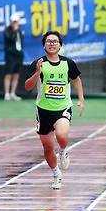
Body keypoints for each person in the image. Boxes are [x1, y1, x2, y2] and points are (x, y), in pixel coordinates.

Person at [25, 31, 84, 190]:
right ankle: (56, 173)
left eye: (55, 41)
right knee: (47, 147)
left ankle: (63, 151)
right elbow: (27, 87)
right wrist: (37, 73)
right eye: (49, 41)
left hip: (63, 107)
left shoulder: (68, 63)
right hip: (43, 110)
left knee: (62, 134)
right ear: (44, 45)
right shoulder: (38, 63)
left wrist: (81, 99)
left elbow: (77, 79)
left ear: (60, 45)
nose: (52, 44)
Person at [4, 13, 24, 101]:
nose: (15, 23)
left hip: (19, 55)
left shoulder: (20, 31)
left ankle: (13, 93)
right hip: (10, 55)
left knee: (16, 74)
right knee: (8, 74)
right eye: (14, 21)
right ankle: (7, 93)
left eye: (17, 21)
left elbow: (21, 42)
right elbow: (10, 39)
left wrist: (17, 31)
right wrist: (15, 31)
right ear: (11, 22)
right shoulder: (7, 30)